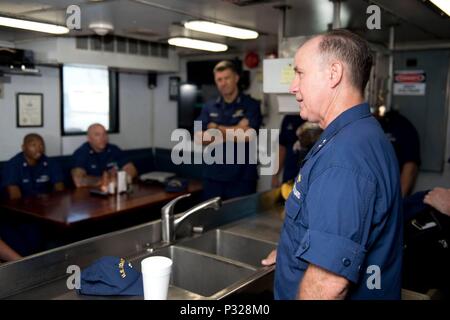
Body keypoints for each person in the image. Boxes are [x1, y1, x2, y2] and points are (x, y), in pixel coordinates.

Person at [262, 29, 403, 300]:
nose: (293, 86)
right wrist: (294, 251)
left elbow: (328, 284)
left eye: (300, 73)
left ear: (333, 74)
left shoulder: (345, 156)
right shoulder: (358, 133)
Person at [194, 60, 262, 200]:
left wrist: (216, 128)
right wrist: (237, 129)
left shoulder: (251, 105)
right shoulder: (209, 107)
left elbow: (248, 135)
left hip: (242, 179)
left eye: (227, 78)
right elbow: (199, 138)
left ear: (236, 78)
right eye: (219, 79)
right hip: (214, 178)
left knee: (242, 221)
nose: (223, 83)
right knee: (212, 220)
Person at [71, 123, 138, 188]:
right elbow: (79, 180)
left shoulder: (114, 149)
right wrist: (105, 180)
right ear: (89, 138)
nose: (103, 138)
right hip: (90, 195)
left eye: (105, 134)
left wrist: (119, 179)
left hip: (113, 190)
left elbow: (132, 169)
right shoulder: (81, 153)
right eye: (97, 135)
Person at [1, 133, 64, 200]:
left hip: (46, 204)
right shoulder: (13, 165)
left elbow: (59, 186)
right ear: (23, 147)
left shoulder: (51, 163)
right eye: (33, 145)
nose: (38, 149)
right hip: (22, 206)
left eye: (41, 145)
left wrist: (55, 201)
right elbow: (15, 197)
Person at [376, 109, 421, 196]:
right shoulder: (367, 127)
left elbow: (410, 167)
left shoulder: (403, 127)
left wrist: (399, 200)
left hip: (392, 191)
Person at [272, 115, 305, 188]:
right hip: (289, 175)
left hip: (307, 176)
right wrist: (275, 175)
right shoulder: (288, 119)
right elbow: (282, 149)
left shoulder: (317, 121)